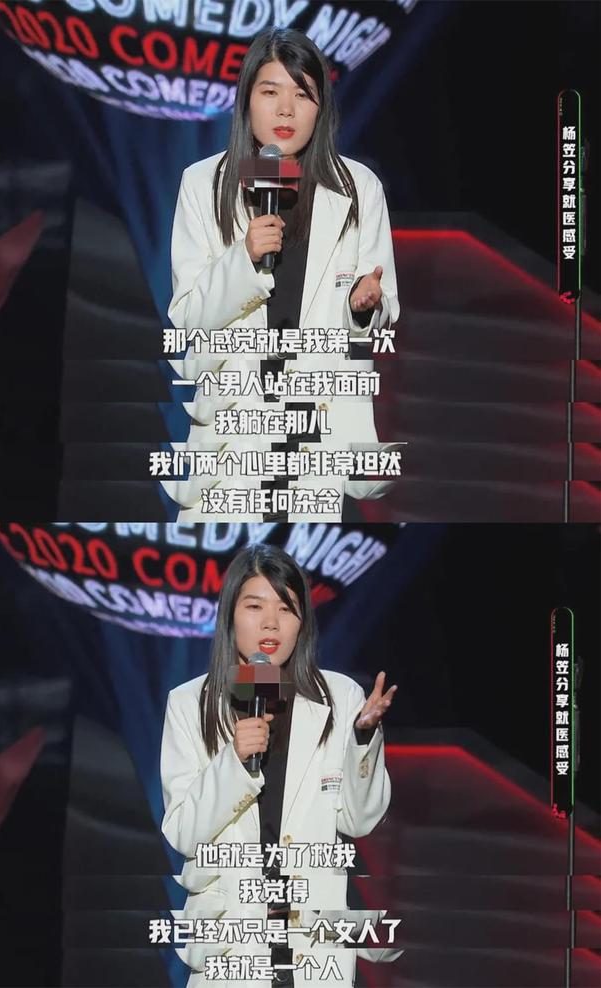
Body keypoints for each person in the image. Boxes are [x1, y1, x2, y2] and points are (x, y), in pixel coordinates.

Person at [162, 28, 400, 523]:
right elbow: (187, 319)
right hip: (234, 437)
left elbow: (380, 312)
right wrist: (243, 259)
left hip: (318, 431)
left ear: (321, 107)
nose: (286, 110)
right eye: (271, 92)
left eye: (303, 94)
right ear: (247, 100)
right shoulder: (202, 184)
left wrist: (364, 306)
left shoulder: (360, 189)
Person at [160, 544, 401, 987]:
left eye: (286, 609)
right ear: (231, 615)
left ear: (302, 622)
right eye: (255, 606)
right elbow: (183, 833)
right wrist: (233, 763)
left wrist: (363, 740)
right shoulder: (189, 704)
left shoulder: (340, 697)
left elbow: (360, 819)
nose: (271, 622)